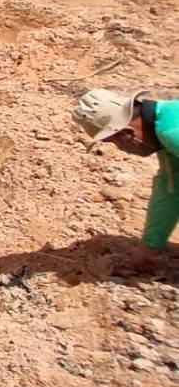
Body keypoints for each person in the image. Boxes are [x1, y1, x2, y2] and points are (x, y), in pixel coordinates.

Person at [74, 90, 178, 261]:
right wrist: (150, 246)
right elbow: (170, 189)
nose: (120, 148)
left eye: (113, 141)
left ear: (127, 133)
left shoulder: (172, 131)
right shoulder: (164, 125)